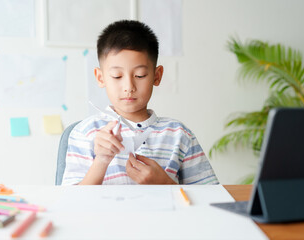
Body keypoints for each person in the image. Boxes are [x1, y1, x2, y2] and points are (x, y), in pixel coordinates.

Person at [62, 20, 219, 185]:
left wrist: (165, 184)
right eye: (117, 76)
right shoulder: (85, 133)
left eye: (140, 75)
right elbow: (71, 203)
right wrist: (101, 160)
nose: (129, 87)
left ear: (156, 76)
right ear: (101, 77)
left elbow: (210, 198)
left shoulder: (179, 134)